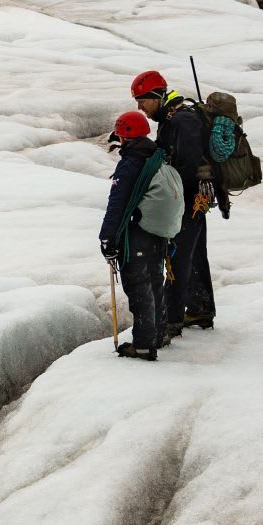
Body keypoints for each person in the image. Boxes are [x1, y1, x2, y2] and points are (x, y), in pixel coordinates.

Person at [132, 70, 221, 334]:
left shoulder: (181, 120)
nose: (141, 108)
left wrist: (172, 196)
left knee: (178, 257)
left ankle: (172, 320)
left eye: (143, 101)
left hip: (189, 198)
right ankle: (200, 309)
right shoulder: (172, 118)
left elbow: (187, 164)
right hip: (193, 197)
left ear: (158, 96)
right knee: (193, 253)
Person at [99, 110, 168, 360]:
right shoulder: (156, 156)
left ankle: (143, 344)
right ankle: (158, 334)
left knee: (139, 289)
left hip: (137, 233)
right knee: (154, 282)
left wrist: (107, 238)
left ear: (125, 136)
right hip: (159, 233)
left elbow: (117, 204)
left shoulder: (131, 163)